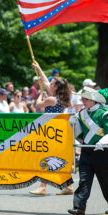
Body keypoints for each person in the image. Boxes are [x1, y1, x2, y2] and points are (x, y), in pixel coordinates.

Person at [68, 87, 108, 215]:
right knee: (84, 180)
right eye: (82, 99)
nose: (82, 102)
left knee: (106, 180)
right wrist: (73, 125)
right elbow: (79, 136)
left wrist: (102, 142)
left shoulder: (105, 113)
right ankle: (79, 207)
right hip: (86, 151)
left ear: (93, 100)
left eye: (85, 99)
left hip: (101, 151)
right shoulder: (81, 114)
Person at [30, 61, 72, 195]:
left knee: (47, 157)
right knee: (55, 158)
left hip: (51, 132)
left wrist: (39, 97)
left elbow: (38, 106)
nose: (49, 84)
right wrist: (38, 67)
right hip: (57, 131)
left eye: (52, 83)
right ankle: (69, 187)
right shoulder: (59, 98)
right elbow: (44, 81)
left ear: (55, 87)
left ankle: (42, 186)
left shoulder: (52, 100)